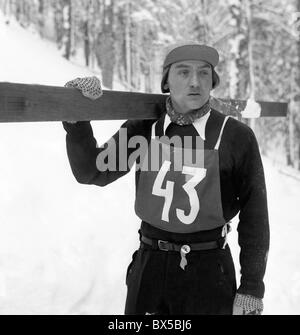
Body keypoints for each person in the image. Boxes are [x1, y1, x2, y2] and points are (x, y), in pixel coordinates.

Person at [62, 43, 269, 315]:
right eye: (183, 72)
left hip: (209, 272)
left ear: (213, 80)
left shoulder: (235, 136)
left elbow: (255, 215)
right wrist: (76, 118)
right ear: (166, 81)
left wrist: (252, 286)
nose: (195, 82)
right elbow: (92, 171)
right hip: (150, 268)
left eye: (204, 73)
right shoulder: (144, 130)